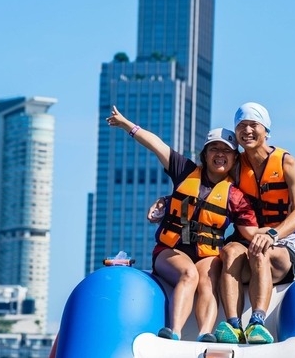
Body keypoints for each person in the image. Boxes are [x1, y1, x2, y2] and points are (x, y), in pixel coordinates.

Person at [106, 105, 258, 343]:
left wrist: (282, 230)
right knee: (189, 273)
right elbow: (156, 145)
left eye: (226, 151)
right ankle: (174, 332)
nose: (220, 154)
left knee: (209, 279)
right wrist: (127, 125)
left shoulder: (236, 196)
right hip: (171, 251)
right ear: (205, 154)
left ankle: (205, 334)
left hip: (207, 255)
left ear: (234, 158)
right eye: (214, 149)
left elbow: (251, 231)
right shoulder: (185, 171)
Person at [213, 102, 295, 344]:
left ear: (266, 130)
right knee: (229, 251)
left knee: (259, 249)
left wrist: (271, 234)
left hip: (281, 245)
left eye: (253, 124)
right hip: (246, 240)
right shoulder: (236, 166)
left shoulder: (288, 164)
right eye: (241, 125)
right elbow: (202, 181)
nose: (247, 130)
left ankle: (257, 322)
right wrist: (165, 201)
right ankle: (233, 325)